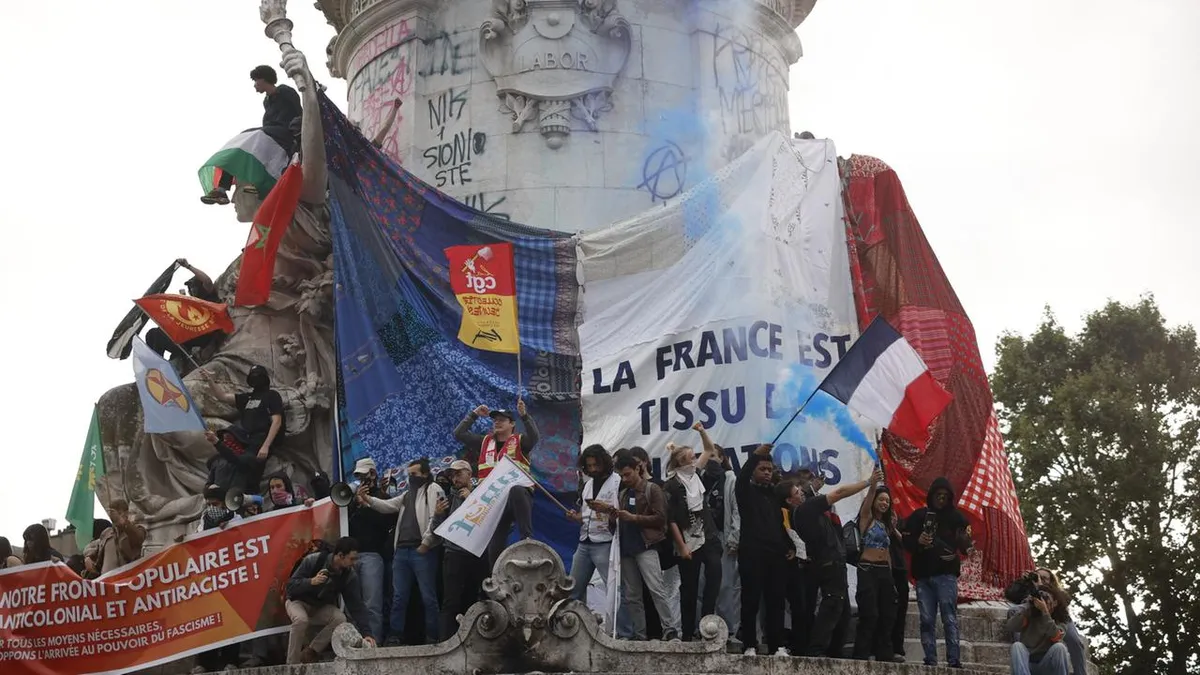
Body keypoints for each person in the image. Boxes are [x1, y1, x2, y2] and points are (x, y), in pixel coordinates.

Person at [794, 464, 881, 658]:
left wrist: (873, 487)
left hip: (835, 562)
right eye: (806, 484)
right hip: (827, 562)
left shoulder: (819, 511)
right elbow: (840, 492)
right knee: (833, 605)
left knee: (842, 613)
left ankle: (835, 652)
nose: (816, 482)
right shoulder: (806, 508)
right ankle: (815, 651)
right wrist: (868, 481)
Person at [360, 458, 445, 646]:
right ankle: (395, 636)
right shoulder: (407, 495)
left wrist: (427, 542)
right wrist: (368, 500)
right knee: (399, 597)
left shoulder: (433, 489)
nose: (411, 478)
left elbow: (435, 518)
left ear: (424, 474)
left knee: (428, 596)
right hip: (402, 551)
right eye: (409, 475)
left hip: (421, 550)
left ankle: (433, 636)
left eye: (414, 474)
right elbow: (388, 506)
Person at [594, 454, 678, 641]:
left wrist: (634, 518)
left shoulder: (652, 489)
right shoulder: (623, 494)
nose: (625, 479)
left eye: (627, 474)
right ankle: (640, 634)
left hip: (646, 546)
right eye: (622, 476)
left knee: (656, 588)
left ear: (638, 469)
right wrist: (611, 516)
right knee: (632, 595)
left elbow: (661, 518)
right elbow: (615, 525)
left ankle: (670, 629)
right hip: (626, 548)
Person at [453, 400, 539, 565]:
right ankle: (496, 580)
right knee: (495, 547)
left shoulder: (520, 441)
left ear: (512, 424)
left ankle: (527, 538)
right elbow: (459, 433)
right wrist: (474, 414)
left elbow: (535, 438)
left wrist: (525, 416)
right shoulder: (485, 442)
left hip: (518, 498)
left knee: (516, 489)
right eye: (495, 420)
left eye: (502, 419)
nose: (497, 422)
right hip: (493, 501)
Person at [201, 65, 303, 205]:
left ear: (263, 79)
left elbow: (300, 112)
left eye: (256, 81)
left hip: (285, 134)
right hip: (270, 134)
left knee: (251, 138)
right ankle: (221, 189)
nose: (255, 86)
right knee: (241, 142)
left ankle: (256, 181)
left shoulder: (285, 91)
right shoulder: (267, 102)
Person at [902, 477, 973, 668]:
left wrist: (964, 540)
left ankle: (954, 659)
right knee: (926, 619)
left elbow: (966, 547)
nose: (941, 499)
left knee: (949, 617)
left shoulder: (957, 518)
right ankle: (930, 659)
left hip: (946, 575)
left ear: (949, 498)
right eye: (938, 495)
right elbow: (905, 540)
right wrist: (919, 541)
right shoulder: (918, 516)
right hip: (923, 576)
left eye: (944, 496)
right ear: (932, 496)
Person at [733, 443, 793, 655]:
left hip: (776, 555)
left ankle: (777, 645)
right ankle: (749, 644)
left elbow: (782, 524)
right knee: (750, 599)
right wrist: (756, 454)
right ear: (754, 471)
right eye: (762, 469)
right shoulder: (745, 491)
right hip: (752, 553)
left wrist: (789, 546)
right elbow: (742, 477)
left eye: (769, 470)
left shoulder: (776, 495)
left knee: (776, 600)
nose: (767, 473)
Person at [664, 424, 722, 641]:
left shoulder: (696, 474)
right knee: (689, 587)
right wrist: (681, 546)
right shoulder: (671, 485)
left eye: (693, 457)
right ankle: (687, 634)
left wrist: (701, 431)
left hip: (707, 534)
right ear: (681, 462)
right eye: (690, 457)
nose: (694, 460)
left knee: (715, 573)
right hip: (687, 539)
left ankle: (707, 623)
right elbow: (671, 520)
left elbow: (709, 449)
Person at [285, 536, 374, 664]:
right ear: (340, 555)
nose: (354, 563)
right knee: (301, 620)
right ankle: (292, 664)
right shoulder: (314, 560)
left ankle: (311, 652)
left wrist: (367, 633)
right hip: (297, 602)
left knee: (340, 619)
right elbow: (291, 587)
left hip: (319, 607)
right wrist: (311, 582)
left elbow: (357, 606)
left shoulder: (349, 575)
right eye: (352, 559)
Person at [204, 365, 285, 494]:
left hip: (260, 441)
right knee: (216, 461)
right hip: (243, 440)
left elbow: (277, 421)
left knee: (244, 463)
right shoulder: (247, 398)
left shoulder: (272, 395)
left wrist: (266, 446)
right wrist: (210, 380)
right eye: (253, 377)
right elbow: (222, 396)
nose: (256, 379)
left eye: (258, 376)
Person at [431, 459, 488, 639]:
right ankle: (445, 641)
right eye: (452, 475)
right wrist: (438, 515)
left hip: (476, 553)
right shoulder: (447, 498)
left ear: (469, 474)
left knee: (475, 599)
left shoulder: (482, 494)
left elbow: (489, 521)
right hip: (453, 553)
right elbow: (436, 531)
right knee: (450, 601)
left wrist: (472, 499)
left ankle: (473, 639)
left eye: (458, 473)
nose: (454, 478)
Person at [565, 445, 620, 613]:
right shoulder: (588, 484)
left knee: (614, 588)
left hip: (605, 542)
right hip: (584, 541)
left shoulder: (617, 482)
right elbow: (586, 514)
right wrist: (577, 517)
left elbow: (622, 513)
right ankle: (571, 624)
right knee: (573, 588)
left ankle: (625, 631)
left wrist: (607, 509)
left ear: (605, 462)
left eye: (596, 465)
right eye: (589, 466)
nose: (593, 469)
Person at [346, 458, 393, 645]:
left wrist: (369, 502)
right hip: (351, 556)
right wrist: (356, 504)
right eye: (357, 475)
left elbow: (386, 524)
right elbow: (344, 525)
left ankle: (374, 643)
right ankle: (353, 644)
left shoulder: (383, 498)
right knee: (351, 604)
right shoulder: (349, 499)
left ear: (373, 474)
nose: (360, 479)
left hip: (373, 555)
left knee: (372, 603)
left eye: (363, 475)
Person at [144, 259, 224, 370]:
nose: (191, 289)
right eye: (190, 287)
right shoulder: (192, 304)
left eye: (193, 286)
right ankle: (158, 366)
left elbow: (207, 281)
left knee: (157, 334)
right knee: (152, 334)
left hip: (204, 334)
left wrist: (188, 266)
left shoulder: (207, 298)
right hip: (189, 336)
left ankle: (161, 366)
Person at [1006, 568, 1088, 675]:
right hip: (1029, 657)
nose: (1041, 580)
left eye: (1045, 578)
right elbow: (1011, 623)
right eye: (1038, 576)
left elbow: (1057, 635)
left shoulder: (1059, 597)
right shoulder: (1031, 595)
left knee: (1062, 646)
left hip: (1047, 658)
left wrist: (1045, 611)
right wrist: (1029, 584)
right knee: (1017, 645)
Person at [852, 479, 899, 662]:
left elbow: (887, 553)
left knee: (888, 614)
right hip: (868, 570)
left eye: (887, 501)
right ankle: (861, 653)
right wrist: (873, 483)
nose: (884, 503)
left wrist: (891, 577)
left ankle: (884, 653)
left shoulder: (886, 525)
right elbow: (869, 497)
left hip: (884, 572)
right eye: (881, 499)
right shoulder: (867, 519)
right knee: (869, 613)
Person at [1006, 586, 1069, 675]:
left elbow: (1055, 636)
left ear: (1055, 603)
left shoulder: (1060, 620)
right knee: (1017, 646)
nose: (1042, 601)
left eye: (1046, 598)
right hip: (1028, 663)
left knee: (1060, 648)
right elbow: (1011, 627)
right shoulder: (1029, 614)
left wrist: (1045, 612)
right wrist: (1027, 608)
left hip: (1046, 664)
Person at [82, 499, 146, 577]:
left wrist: (125, 524)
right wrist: (88, 557)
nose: (115, 516)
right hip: (107, 581)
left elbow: (138, 539)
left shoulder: (136, 529)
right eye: (112, 512)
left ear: (126, 513)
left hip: (127, 578)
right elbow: (94, 550)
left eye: (119, 513)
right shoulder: (106, 533)